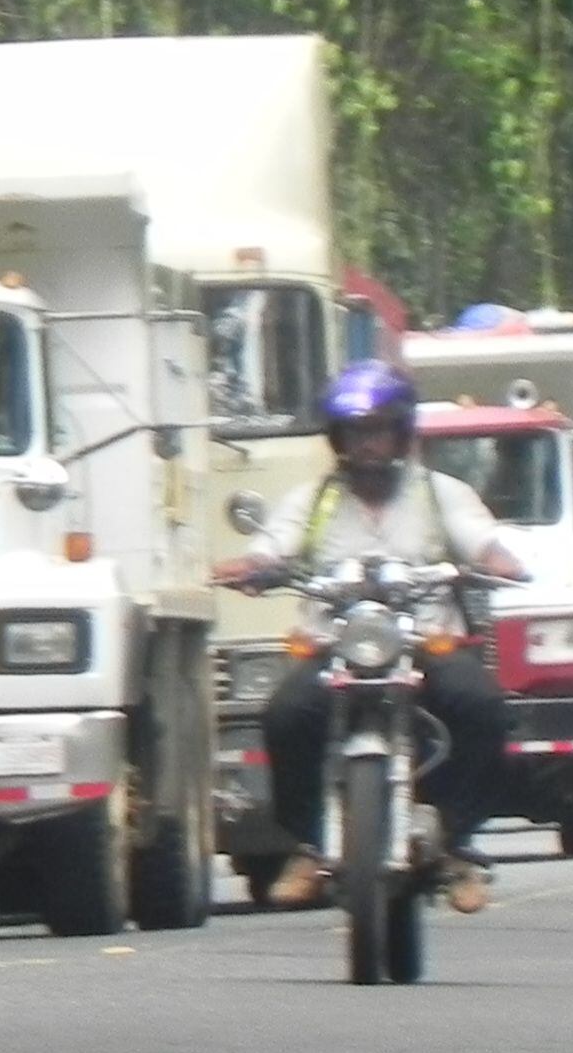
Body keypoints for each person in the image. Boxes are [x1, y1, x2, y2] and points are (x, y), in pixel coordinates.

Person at [223, 361, 528, 912]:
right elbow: (274, 547)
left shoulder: (441, 495)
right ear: (339, 438)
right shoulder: (314, 501)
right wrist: (254, 566)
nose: (367, 444)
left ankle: (459, 843)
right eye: (357, 432)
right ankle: (310, 844)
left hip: (424, 644)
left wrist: (498, 561)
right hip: (336, 648)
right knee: (285, 716)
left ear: (402, 431)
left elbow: (483, 542)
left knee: (483, 708)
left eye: (378, 430)